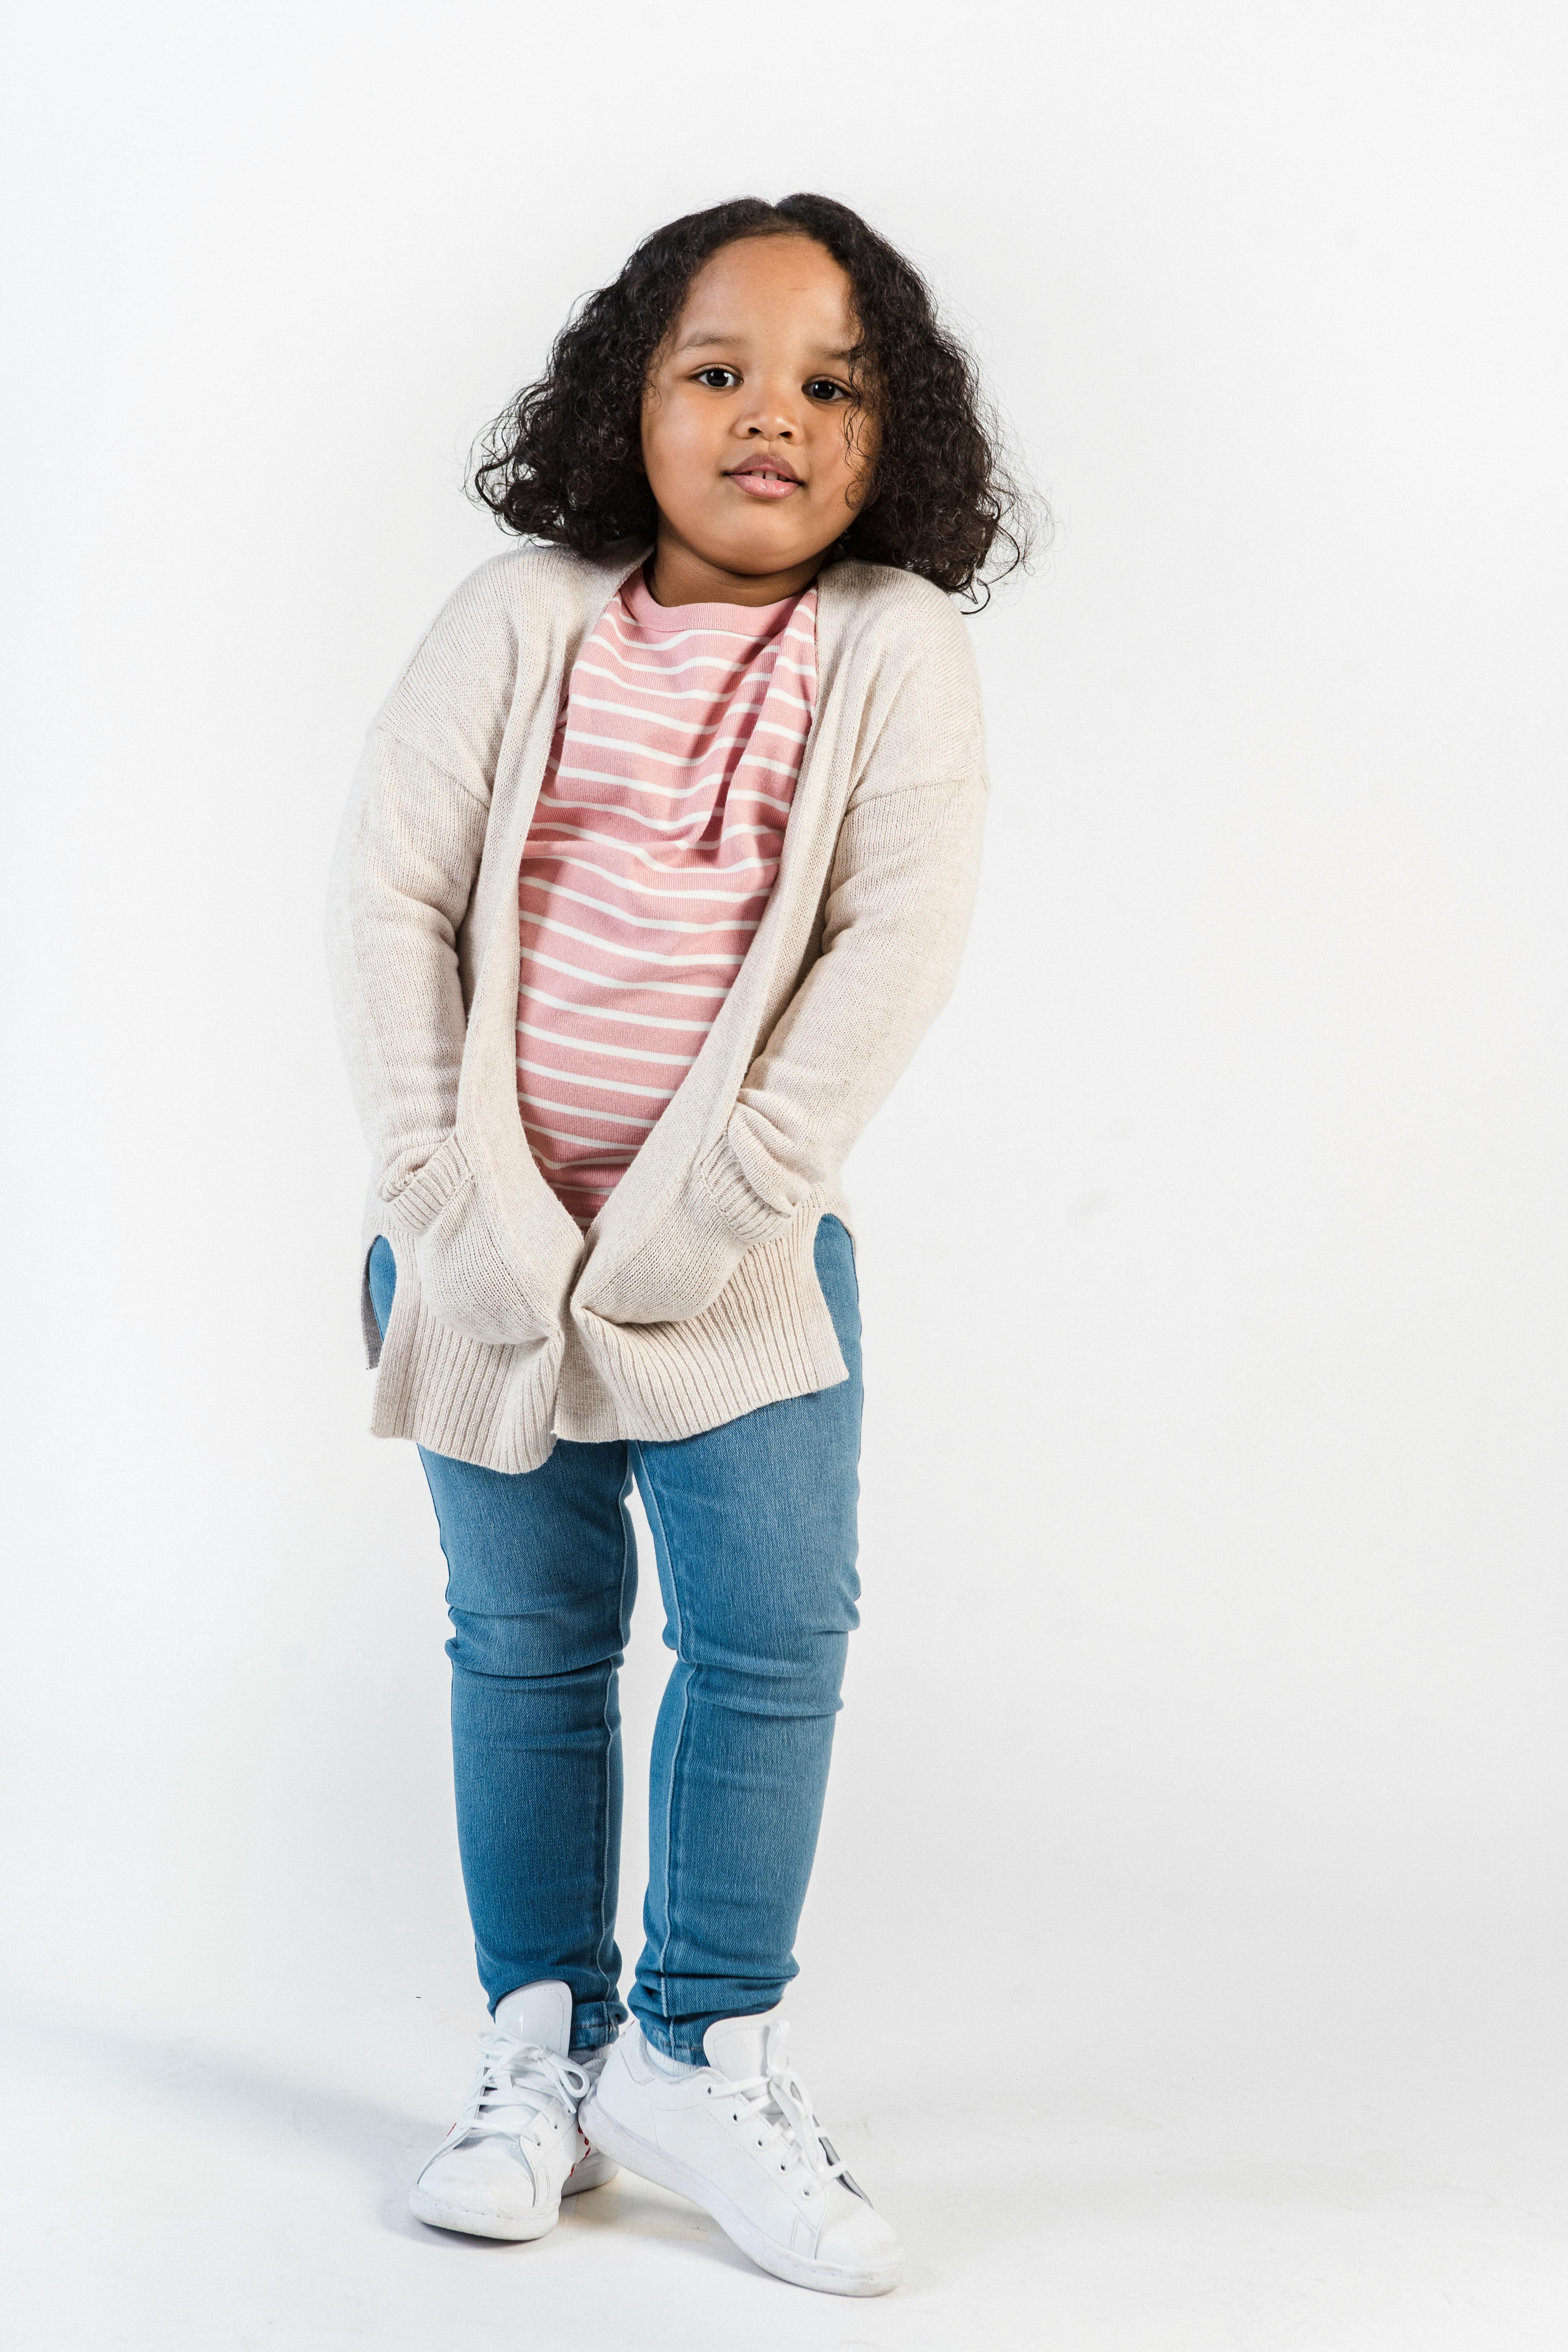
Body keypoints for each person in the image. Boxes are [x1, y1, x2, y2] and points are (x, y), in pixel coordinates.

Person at [326, 191, 1029, 2298]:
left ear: (887, 435)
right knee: (527, 1647)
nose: (770, 418)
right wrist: (448, 1211)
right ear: (625, 398)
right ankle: (543, 2046)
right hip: (476, 1261)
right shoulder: (521, 616)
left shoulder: (889, 649)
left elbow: (892, 946)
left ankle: (707, 2045)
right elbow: (389, 897)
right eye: (715, 368)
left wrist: (714, 1220)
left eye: (832, 384)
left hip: (737, 1275)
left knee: (773, 1636)